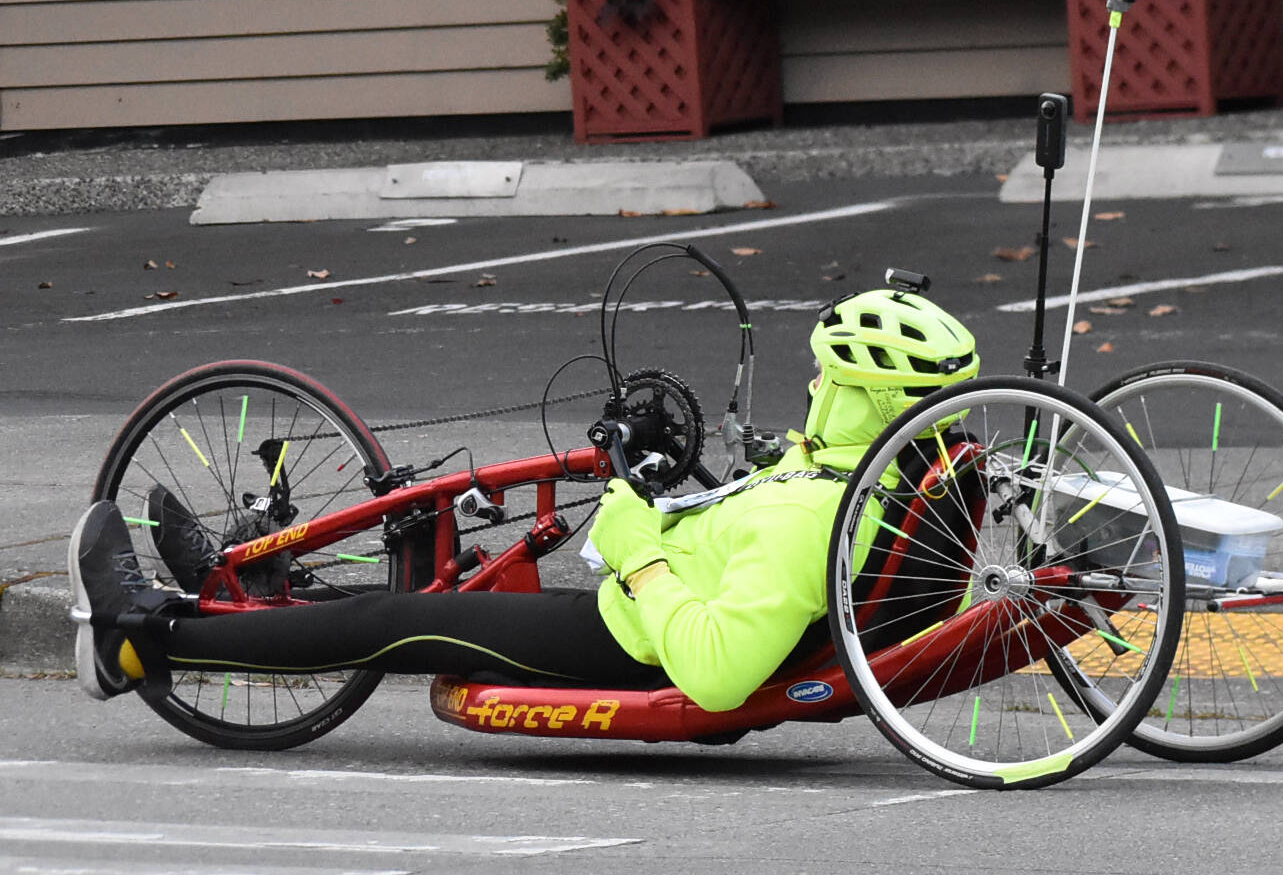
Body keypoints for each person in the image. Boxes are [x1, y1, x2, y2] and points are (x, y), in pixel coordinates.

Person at [69, 284, 979, 716]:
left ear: (863, 396)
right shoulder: (857, 476)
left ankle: (143, 636)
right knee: (428, 589)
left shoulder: (813, 514)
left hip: (631, 646)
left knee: (402, 621)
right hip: (636, 613)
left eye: (827, 377)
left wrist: (640, 547)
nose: (812, 388)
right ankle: (221, 592)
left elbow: (718, 674)